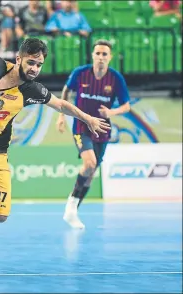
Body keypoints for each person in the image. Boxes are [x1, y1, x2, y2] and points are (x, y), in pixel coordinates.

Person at [0, 38, 110, 278]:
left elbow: (61, 104)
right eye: (31, 62)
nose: (35, 68)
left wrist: (87, 118)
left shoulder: (32, 90)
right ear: (19, 58)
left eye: (39, 64)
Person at [56, 39, 131, 229]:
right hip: (82, 126)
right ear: (92, 55)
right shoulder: (80, 73)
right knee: (89, 163)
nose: (101, 57)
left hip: (103, 129)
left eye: (104, 54)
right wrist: (61, 116)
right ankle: (71, 204)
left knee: (91, 172)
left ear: (110, 57)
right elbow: (66, 91)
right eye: (98, 53)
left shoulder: (115, 78)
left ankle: (73, 211)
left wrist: (111, 112)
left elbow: (126, 105)